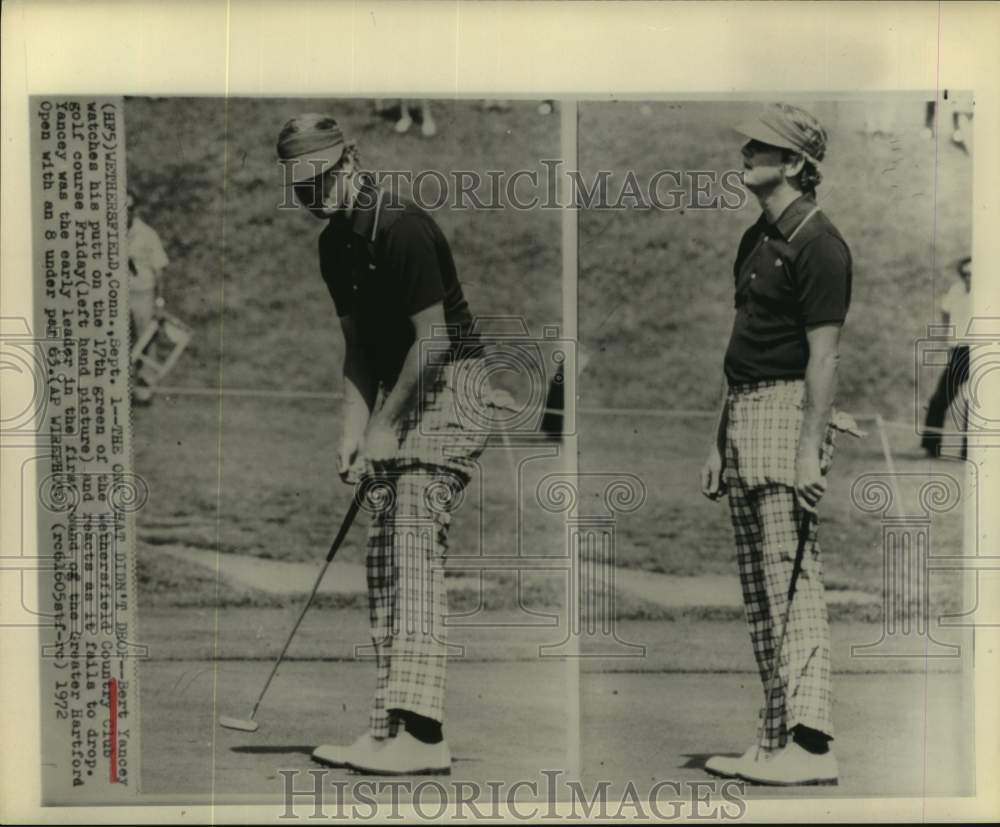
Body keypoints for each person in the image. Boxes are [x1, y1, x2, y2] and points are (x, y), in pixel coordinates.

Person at [276, 114, 487, 775]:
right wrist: (352, 429)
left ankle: (423, 736)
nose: (315, 197)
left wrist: (383, 427)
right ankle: (388, 725)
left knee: (414, 543)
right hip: (401, 389)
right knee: (384, 561)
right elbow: (360, 346)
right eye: (302, 188)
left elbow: (435, 341)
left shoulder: (402, 227)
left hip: (451, 385)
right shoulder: (333, 247)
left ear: (352, 160)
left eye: (322, 180)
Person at [700, 103, 854, 786]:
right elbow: (742, 349)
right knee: (763, 586)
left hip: (790, 410)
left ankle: (813, 745)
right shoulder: (754, 238)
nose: (746, 154)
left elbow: (823, 359)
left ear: (795, 162)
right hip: (744, 416)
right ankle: (774, 738)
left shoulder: (821, 244)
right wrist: (717, 440)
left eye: (762, 148)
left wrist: (807, 448)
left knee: (794, 580)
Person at [922, 257, 972, 459]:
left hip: (979, 351)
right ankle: (931, 446)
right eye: (966, 273)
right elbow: (945, 310)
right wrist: (948, 336)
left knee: (974, 402)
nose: (969, 277)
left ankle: (969, 451)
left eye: (973, 274)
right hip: (958, 351)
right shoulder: (956, 290)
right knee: (939, 400)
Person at [126, 189, 169, 403]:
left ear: (134, 211)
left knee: (146, 339)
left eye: (128, 209)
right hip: (117, 295)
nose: (123, 214)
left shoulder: (147, 234)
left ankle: (145, 388)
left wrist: (159, 301)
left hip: (143, 293)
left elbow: (160, 270)